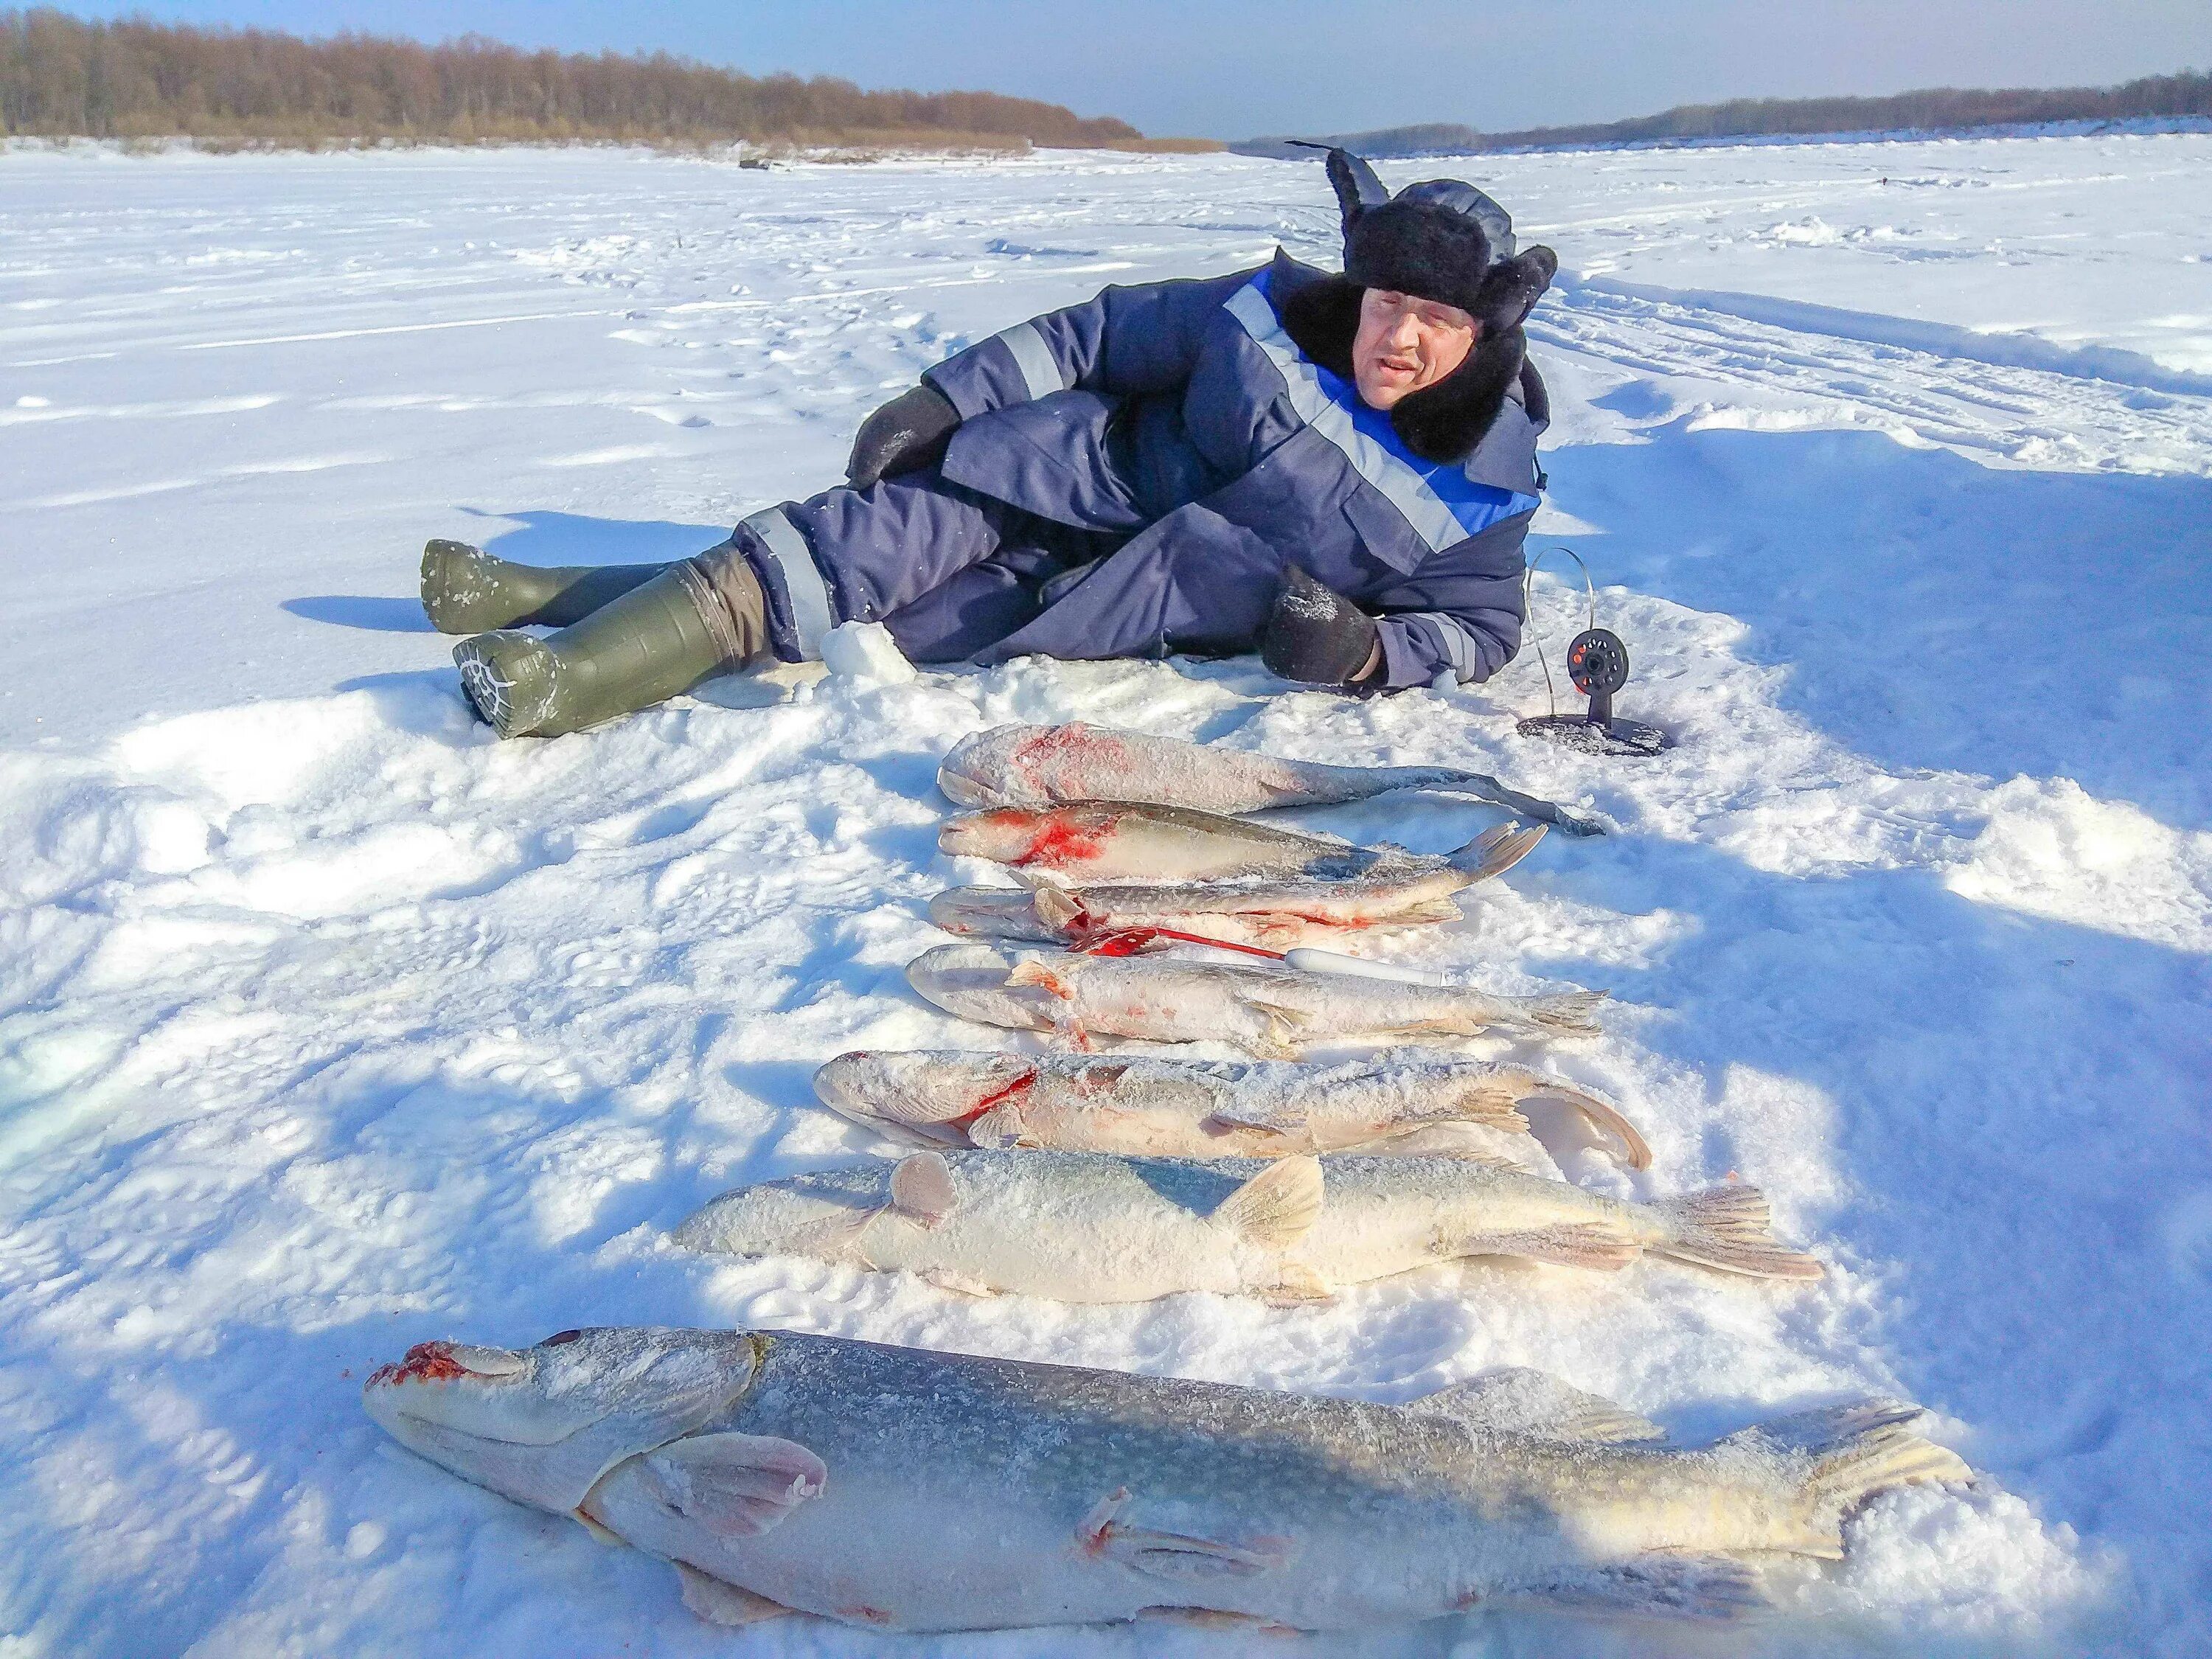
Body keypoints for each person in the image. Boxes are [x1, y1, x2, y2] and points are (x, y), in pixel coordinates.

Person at [420, 147, 1559, 738]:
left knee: (867, 627)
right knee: (838, 553)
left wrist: (1365, 653)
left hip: (1108, 607)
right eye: (1385, 302)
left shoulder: (1483, 488)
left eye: (1437, 319)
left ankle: (534, 587)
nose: (1398, 338)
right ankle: (556, 681)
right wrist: (946, 401)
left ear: (1483, 329)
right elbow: (1101, 330)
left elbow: (1480, 632)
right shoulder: (1267, 305)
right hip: (1044, 467)